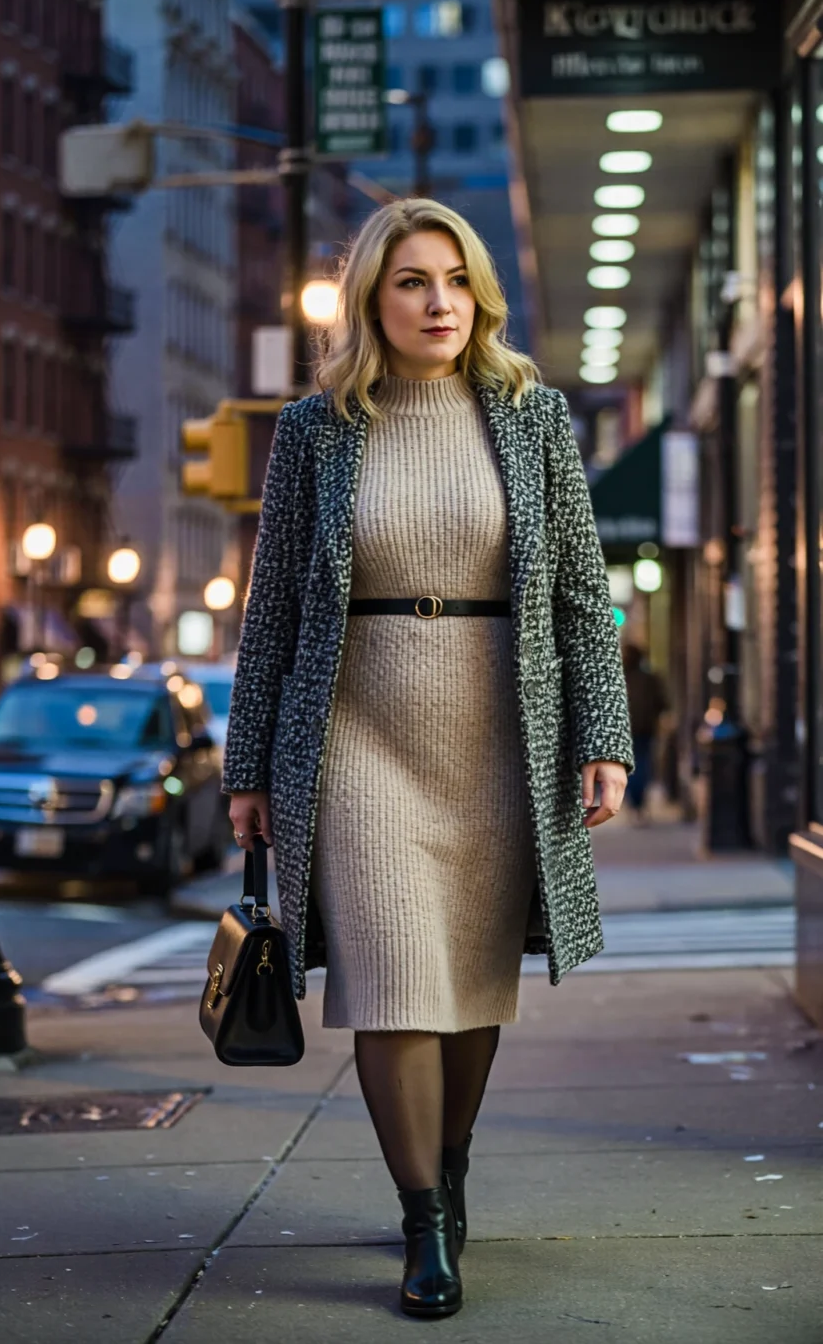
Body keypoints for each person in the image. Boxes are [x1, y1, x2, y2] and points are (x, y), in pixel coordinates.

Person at [221, 198, 633, 1320]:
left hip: (499, 722)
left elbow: (579, 590)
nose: (437, 301)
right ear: (371, 298)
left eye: (453, 278)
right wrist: (247, 766)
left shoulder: (531, 413)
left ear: (479, 292)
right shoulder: (316, 429)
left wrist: (604, 740)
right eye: (410, 280)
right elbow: (272, 611)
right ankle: (424, 1221)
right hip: (354, 728)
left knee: (467, 987)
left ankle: (449, 1167)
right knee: (393, 981)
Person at [622, 642, 668, 819]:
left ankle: (634, 803)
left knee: (628, 766)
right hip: (645, 729)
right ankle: (638, 804)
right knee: (642, 764)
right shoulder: (650, 679)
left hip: (626, 731)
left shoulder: (621, 679)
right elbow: (662, 704)